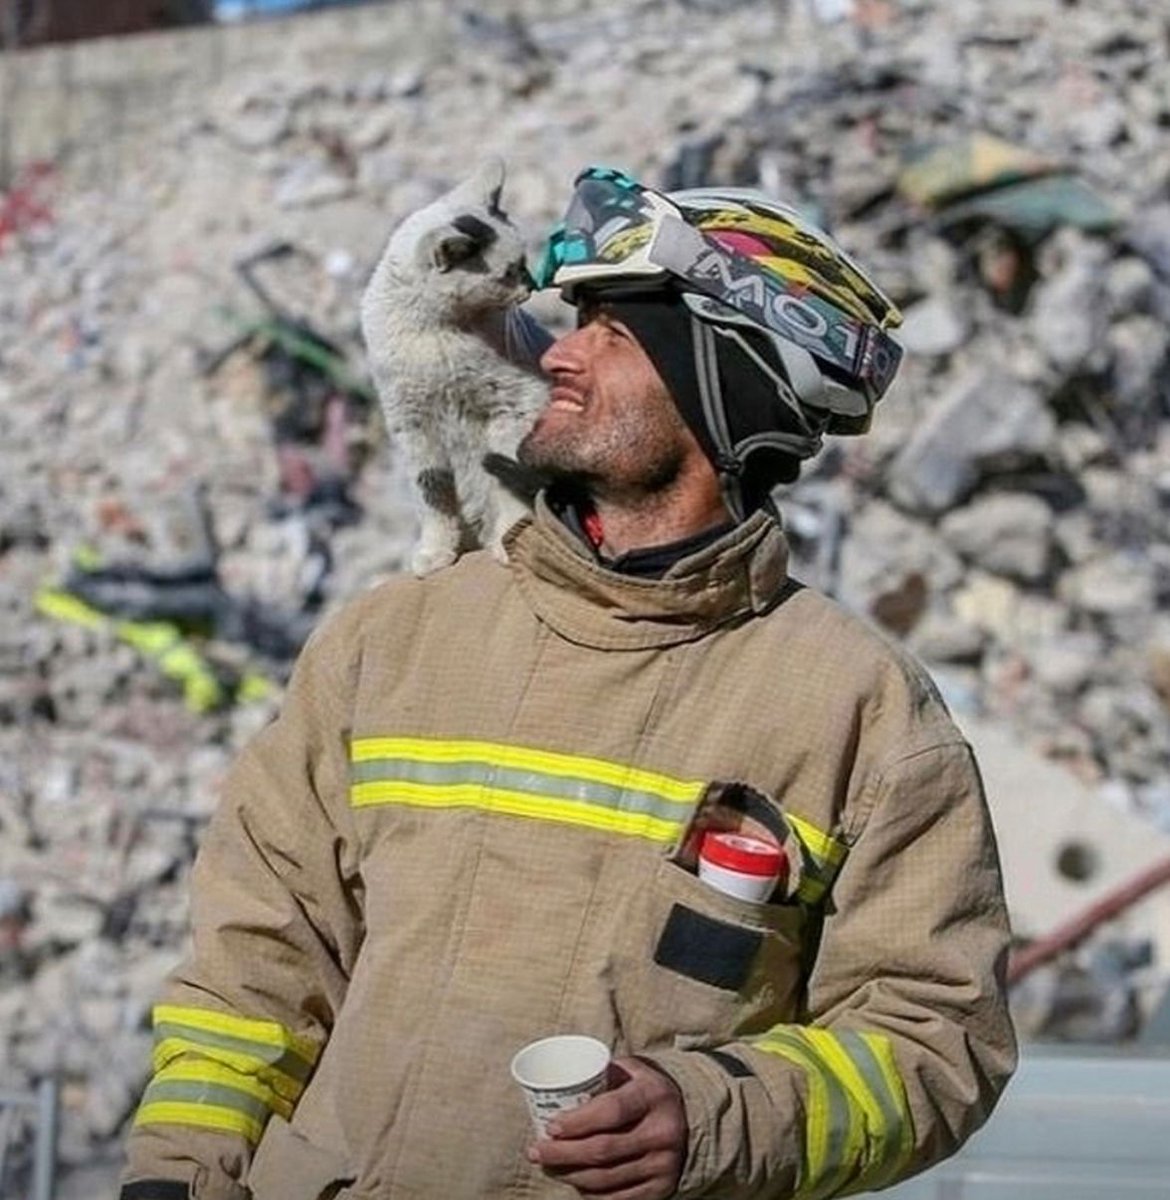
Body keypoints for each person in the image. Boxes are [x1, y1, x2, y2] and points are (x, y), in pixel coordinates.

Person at [120, 167, 1016, 1200]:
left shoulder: (861, 711)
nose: (560, 351)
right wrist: (176, 1178)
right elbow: (255, 964)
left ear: (720, 385)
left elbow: (936, 1039)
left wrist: (717, 1116)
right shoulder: (390, 642)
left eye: (614, 331)